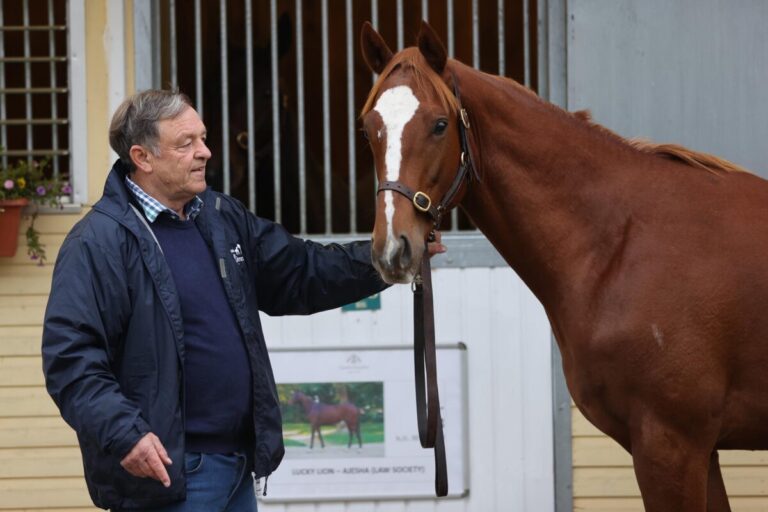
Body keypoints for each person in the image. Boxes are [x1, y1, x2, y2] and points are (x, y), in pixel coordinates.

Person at [42, 89, 445, 511]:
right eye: (186, 143)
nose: (205, 152)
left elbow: (301, 272)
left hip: (237, 467)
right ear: (142, 158)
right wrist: (125, 435)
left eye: (202, 138)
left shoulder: (220, 216)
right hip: (169, 475)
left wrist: (386, 258)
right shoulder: (99, 242)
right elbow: (71, 359)